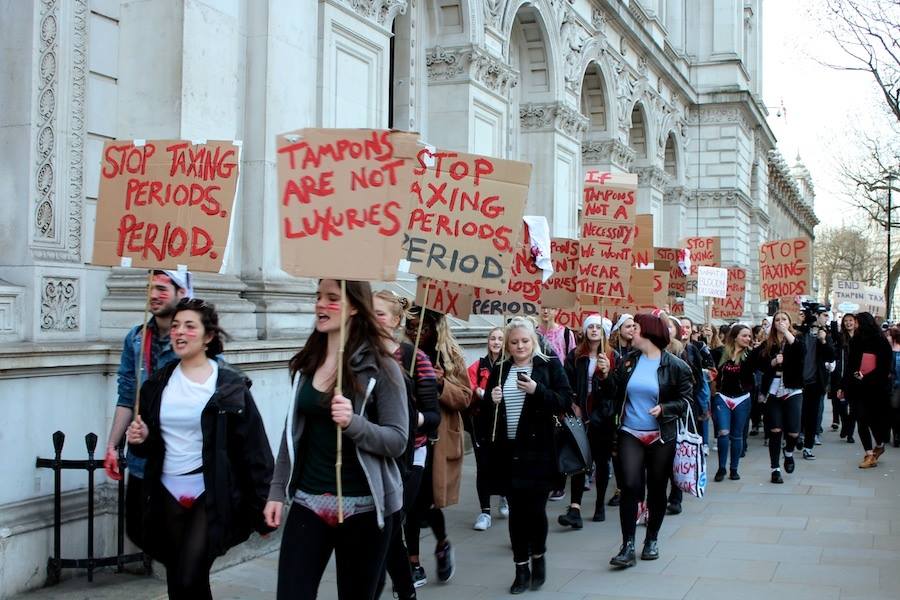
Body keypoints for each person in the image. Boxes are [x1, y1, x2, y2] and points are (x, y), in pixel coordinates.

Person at [264, 279, 409, 599]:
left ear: (355, 306)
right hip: (308, 503)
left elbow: (398, 440)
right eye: (318, 297)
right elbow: (292, 434)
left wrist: (354, 423)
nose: (320, 305)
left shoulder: (382, 367)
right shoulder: (306, 364)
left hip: (365, 509)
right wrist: (276, 490)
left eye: (332, 298)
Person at [125, 298, 274, 599]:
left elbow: (254, 450)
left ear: (208, 337)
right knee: (181, 579)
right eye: (176, 326)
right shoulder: (156, 384)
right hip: (166, 491)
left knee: (188, 572)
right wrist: (140, 439)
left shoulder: (229, 386)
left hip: (209, 495)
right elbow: (150, 448)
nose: (179, 332)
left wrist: (261, 506)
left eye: (189, 326)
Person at [482, 317, 572, 593]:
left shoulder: (548, 365)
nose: (520, 346)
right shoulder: (500, 368)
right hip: (508, 453)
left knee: (535, 511)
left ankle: (539, 557)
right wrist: (491, 398)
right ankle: (521, 568)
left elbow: (565, 400)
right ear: (507, 346)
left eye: (524, 341)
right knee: (517, 514)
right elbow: (489, 411)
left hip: (539, 451)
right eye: (514, 342)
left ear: (533, 341)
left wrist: (538, 390)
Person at [597, 312, 691, 568]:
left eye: (636, 327)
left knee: (657, 487)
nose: (631, 332)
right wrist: (604, 375)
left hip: (661, 435)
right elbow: (610, 394)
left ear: (648, 332)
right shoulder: (628, 362)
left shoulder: (676, 366)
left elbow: (686, 402)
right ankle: (627, 545)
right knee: (629, 485)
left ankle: (651, 539)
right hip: (630, 432)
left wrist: (666, 408)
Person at [104, 270, 191, 544]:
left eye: (163, 289)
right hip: (143, 455)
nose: (153, 296)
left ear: (182, 292)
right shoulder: (136, 338)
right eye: (150, 288)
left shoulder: (193, 337)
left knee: (180, 543)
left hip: (182, 458)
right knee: (142, 532)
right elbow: (127, 395)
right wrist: (112, 445)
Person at [372, 290, 441, 600]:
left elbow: (433, 415)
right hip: (372, 455)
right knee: (381, 531)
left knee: (386, 527)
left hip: (409, 455)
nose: (373, 320)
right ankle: (405, 590)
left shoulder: (414, 358)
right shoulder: (357, 355)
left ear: (396, 320)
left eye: (380, 314)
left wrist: (410, 418)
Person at [403, 306, 471, 587]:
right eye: (409, 326)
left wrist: (441, 382)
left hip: (438, 440)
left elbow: (465, 397)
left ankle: (442, 543)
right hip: (410, 438)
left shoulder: (450, 356)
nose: (414, 332)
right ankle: (413, 562)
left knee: (428, 503)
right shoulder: (402, 355)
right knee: (411, 503)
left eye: (420, 326)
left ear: (434, 327)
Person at [558, 314, 617, 528]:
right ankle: (575, 508)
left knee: (601, 462)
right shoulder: (575, 356)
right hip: (580, 416)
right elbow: (566, 383)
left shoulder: (613, 357)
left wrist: (607, 374)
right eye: (590, 326)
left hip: (602, 418)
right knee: (579, 460)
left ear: (605, 333)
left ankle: (600, 504)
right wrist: (572, 404)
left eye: (598, 327)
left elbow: (615, 391)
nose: (594, 330)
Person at [755, 311, 806, 484]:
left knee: (793, 431)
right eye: (777, 320)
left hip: (792, 389)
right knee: (775, 430)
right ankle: (775, 469)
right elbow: (760, 365)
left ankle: (789, 453)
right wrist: (773, 363)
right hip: (773, 390)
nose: (780, 322)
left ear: (789, 322)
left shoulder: (796, 339)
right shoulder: (767, 344)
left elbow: (801, 352)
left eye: (784, 319)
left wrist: (787, 333)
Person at [466, 327, 509, 531]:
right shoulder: (478, 365)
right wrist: (478, 391)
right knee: (483, 466)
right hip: (481, 422)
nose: (496, 342)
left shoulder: (508, 365)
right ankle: (485, 511)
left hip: (503, 423)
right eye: (493, 338)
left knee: (504, 463)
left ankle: (505, 496)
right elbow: (469, 386)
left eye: (501, 338)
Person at [845, 312, 892, 468]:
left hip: (876, 389)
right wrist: (845, 383)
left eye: (857, 322)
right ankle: (869, 454)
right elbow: (850, 363)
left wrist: (867, 376)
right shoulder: (856, 341)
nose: (855, 325)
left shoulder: (881, 342)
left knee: (874, 421)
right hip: (857, 388)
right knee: (861, 419)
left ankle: (879, 444)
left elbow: (885, 368)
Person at [712, 324, 756, 482]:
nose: (748, 339)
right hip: (722, 397)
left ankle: (734, 469)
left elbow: (764, 363)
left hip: (742, 398)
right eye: (744, 335)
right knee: (723, 433)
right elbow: (706, 362)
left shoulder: (751, 355)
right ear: (735, 336)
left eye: (749, 336)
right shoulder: (720, 352)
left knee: (737, 436)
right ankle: (721, 468)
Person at [798, 308, 835, 459]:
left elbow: (831, 356)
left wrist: (823, 340)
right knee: (798, 414)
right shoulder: (800, 335)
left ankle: (808, 446)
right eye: (824, 315)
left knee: (812, 415)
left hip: (815, 382)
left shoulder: (825, 335)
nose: (826, 318)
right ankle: (796, 437)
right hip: (797, 382)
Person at [831, 314, 857, 442]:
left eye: (850, 320)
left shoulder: (860, 337)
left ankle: (850, 433)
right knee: (840, 404)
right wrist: (835, 318)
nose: (848, 323)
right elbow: (834, 333)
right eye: (846, 321)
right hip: (841, 375)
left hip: (855, 376)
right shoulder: (842, 337)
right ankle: (845, 424)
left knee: (853, 407)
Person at [890, 325, 900, 447]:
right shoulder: (892, 348)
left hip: (895, 383)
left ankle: (897, 434)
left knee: (896, 410)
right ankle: (896, 434)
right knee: (895, 410)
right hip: (895, 384)